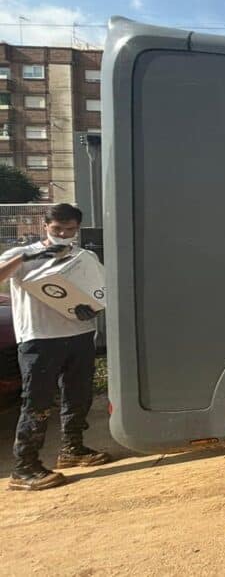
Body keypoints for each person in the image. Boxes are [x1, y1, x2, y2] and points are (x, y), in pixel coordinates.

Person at [1, 203, 110, 491]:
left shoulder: (83, 257)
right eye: (57, 229)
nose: (63, 234)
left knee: (78, 395)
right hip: (39, 339)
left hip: (79, 335)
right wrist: (28, 256)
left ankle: (72, 449)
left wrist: (94, 309)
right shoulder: (20, 256)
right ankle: (24, 467)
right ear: (44, 225)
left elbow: (101, 290)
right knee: (37, 402)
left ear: (77, 229)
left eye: (70, 229)